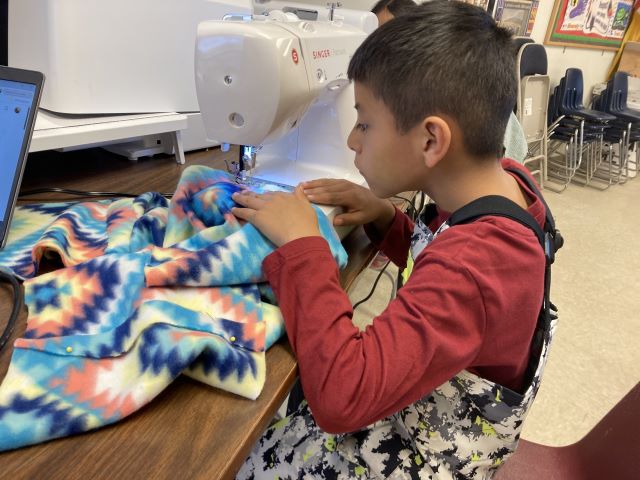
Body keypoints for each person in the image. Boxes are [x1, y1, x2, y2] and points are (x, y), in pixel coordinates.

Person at [232, 1, 555, 478]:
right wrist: (388, 219)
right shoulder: (507, 181)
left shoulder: (479, 262)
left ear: (431, 141)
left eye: (364, 121)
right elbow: (456, 282)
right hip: (431, 402)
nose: (352, 142)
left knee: (243, 452)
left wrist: (306, 249)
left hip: (425, 450)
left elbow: (342, 396)